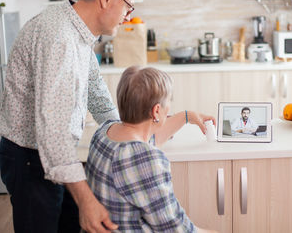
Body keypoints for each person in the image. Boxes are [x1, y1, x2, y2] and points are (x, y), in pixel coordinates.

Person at [0, 0, 139, 232]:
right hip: (30, 160)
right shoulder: (58, 37)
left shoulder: (79, 31)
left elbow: (95, 89)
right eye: (128, 7)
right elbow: (53, 132)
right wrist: (86, 200)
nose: (129, 17)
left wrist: (126, 133)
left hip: (53, 156)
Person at [85, 66, 217, 233]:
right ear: (156, 110)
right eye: (168, 101)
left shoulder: (104, 131)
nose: (169, 107)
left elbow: (149, 136)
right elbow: (175, 228)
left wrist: (187, 116)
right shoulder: (146, 158)